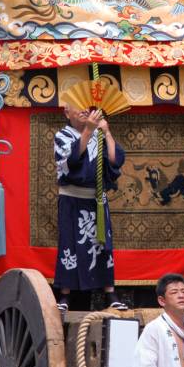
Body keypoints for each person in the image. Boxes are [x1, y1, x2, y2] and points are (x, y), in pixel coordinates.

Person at [53, 102, 127, 311]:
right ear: (67, 112)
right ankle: (65, 294)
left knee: (102, 244)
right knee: (70, 244)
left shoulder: (99, 136)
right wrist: (88, 130)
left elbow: (115, 160)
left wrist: (106, 131)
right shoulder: (63, 136)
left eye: (88, 107)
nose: (85, 111)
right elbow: (72, 160)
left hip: (96, 199)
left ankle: (110, 292)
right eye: (79, 107)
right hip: (72, 199)